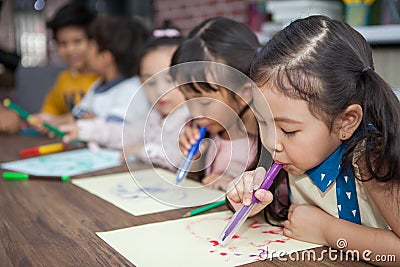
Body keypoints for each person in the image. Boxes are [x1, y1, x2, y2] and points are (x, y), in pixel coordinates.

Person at [227, 15, 400, 263]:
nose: (272, 142)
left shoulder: (372, 158)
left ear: (346, 121)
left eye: (289, 131)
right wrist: (251, 205)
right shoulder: (294, 154)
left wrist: (327, 231)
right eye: (263, 122)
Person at [170, 17, 261, 191]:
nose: (196, 113)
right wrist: (194, 161)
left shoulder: (273, 142)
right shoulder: (201, 130)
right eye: (188, 99)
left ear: (245, 92)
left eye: (204, 101)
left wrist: (233, 186)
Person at [60, 16, 150, 149]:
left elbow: (114, 131)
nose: (85, 51)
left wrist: (92, 122)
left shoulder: (131, 89)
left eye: (91, 45)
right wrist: (55, 121)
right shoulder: (98, 85)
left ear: (105, 57)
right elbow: (78, 114)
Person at [122, 24, 190, 171]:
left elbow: (177, 159)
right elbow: (127, 133)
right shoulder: (154, 115)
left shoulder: (193, 119)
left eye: (170, 80)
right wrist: (86, 129)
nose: (160, 91)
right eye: (150, 82)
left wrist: (140, 150)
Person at [34, 2, 99, 128]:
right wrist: (44, 120)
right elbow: (51, 108)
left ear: (94, 40)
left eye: (77, 41)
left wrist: (59, 121)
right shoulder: (64, 79)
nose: (70, 50)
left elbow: (96, 116)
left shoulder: (104, 78)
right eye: (63, 44)